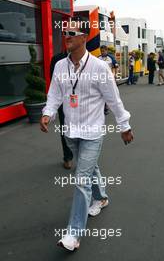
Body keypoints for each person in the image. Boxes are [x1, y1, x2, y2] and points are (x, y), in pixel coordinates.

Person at [40, 16, 133, 251]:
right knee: (89, 167)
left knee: (81, 178)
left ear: (83, 37)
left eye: (71, 33)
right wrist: (47, 113)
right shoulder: (61, 65)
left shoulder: (100, 68)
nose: (66, 37)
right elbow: (55, 94)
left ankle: (73, 233)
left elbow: (114, 100)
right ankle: (101, 197)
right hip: (70, 131)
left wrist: (124, 126)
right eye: (64, 33)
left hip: (92, 131)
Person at [50, 52, 73, 169]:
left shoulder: (89, 60)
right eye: (65, 34)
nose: (68, 37)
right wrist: (49, 111)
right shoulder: (57, 60)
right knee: (65, 129)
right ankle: (68, 157)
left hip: (83, 103)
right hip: (64, 102)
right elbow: (53, 84)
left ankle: (82, 158)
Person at [98, 45, 119, 115]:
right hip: (100, 78)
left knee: (107, 93)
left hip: (109, 78)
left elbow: (116, 67)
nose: (102, 52)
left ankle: (106, 107)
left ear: (106, 51)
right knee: (100, 93)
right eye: (101, 51)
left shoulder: (111, 58)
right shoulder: (98, 58)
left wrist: (115, 75)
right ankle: (102, 107)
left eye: (103, 51)